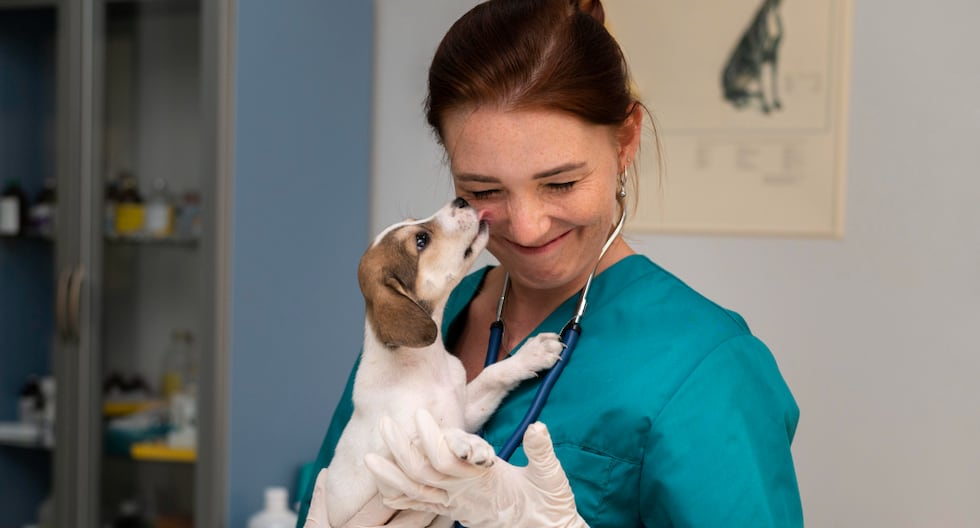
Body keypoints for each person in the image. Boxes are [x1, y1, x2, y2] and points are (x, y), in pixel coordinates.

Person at [297, 0, 803, 526]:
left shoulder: (710, 368)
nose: (529, 225)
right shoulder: (417, 327)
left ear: (626, 141)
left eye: (561, 183)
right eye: (484, 189)